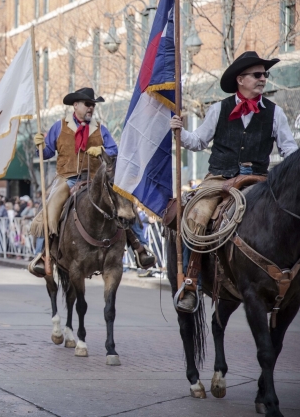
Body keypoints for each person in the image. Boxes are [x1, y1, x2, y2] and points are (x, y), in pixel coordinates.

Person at [170, 51, 297, 312]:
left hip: (260, 181)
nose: (264, 79)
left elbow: (289, 151)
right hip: (220, 179)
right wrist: (179, 132)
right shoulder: (219, 108)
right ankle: (192, 280)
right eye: (258, 75)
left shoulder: (276, 113)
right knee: (196, 214)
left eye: (265, 74)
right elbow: (198, 141)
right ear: (241, 79)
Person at [30, 87, 156, 276]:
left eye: (93, 105)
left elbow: (115, 151)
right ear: (76, 105)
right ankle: (42, 254)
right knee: (51, 205)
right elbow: (47, 153)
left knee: (125, 202)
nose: (91, 108)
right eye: (88, 105)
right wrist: (40, 145)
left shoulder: (100, 129)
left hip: (97, 180)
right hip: (68, 178)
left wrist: (102, 151)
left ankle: (140, 248)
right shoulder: (59, 127)